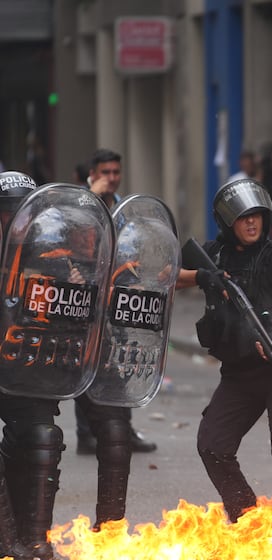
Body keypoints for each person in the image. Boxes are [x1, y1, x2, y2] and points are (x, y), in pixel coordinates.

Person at [177, 178, 272, 523]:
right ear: (228, 223)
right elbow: (168, 275)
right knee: (212, 444)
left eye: (256, 215)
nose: (251, 223)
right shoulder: (214, 254)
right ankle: (249, 520)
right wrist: (203, 277)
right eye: (242, 217)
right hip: (240, 373)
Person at [77, 149, 158, 455]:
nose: (112, 178)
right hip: (87, 295)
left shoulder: (123, 207)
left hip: (118, 296)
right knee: (83, 365)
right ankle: (87, 434)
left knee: (120, 362)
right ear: (93, 174)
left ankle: (123, 429)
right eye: (105, 172)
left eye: (115, 172)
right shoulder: (84, 205)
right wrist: (93, 201)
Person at [0, 171, 54, 558]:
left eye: (24, 212)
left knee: (42, 437)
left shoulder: (52, 255)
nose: (17, 219)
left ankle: (36, 541)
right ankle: (6, 543)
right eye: (8, 211)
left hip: (23, 366)